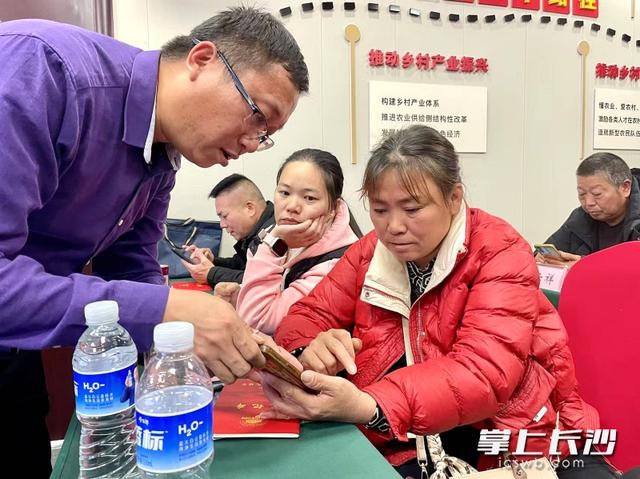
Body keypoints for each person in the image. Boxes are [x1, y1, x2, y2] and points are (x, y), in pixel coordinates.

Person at [0, 7, 308, 475]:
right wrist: (166, 311)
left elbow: (131, 269)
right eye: (257, 116)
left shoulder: (161, 159)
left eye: (266, 136)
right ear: (202, 60)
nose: (252, 142)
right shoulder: (42, 69)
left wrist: (185, 341)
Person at [260, 126, 616, 478]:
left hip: (511, 436)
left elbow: (483, 373)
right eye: (380, 209)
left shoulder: (499, 250)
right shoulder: (370, 252)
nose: (393, 226)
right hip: (411, 436)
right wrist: (310, 349)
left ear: (454, 198)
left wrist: (371, 405)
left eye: (412, 208)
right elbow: (308, 315)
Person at [217, 149, 360, 334]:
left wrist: (274, 246)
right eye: (284, 193)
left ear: (333, 208)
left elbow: (259, 320)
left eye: (309, 198)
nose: (292, 206)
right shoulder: (282, 234)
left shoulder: (337, 265)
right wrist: (240, 295)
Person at [539, 152, 640, 268]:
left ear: (625, 188)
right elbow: (553, 247)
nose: (588, 203)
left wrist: (585, 267)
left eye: (597, 194)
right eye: (582, 194)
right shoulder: (580, 217)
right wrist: (542, 258)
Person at [182, 174, 275, 287]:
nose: (222, 225)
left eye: (225, 216)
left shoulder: (276, 234)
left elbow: (261, 280)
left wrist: (211, 273)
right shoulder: (257, 234)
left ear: (250, 208)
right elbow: (242, 264)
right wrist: (212, 261)